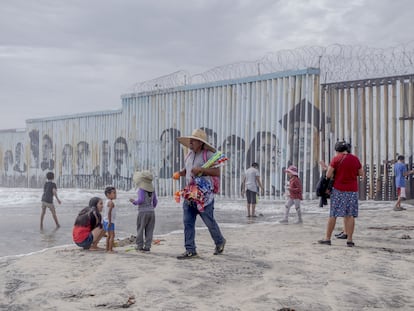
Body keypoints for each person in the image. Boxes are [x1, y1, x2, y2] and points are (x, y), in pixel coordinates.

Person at [173, 128, 226, 259]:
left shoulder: (207, 155)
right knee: (187, 222)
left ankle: (219, 241)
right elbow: (188, 170)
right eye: (191, 140)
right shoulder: (189, 155)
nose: (191, 142)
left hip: (204, 196)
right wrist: (180, 173)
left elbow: (217, 172)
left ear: (201, 143)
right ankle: (190, 250)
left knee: (209, 221)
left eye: (194, 140)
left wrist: (201, 170)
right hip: (190, 193)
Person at [318, 141, 364, 247]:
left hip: (339, 190)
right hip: (352, 190)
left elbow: (329, 175)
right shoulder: (355, 159)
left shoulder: (336, 159)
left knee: (333, 214)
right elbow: (361, 173)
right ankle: (350, 240)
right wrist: (351, 173)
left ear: (337, 150)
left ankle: (327, 238)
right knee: (350, 215)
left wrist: (329, 170)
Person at [130, 171, 158, 252]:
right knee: (149, 230)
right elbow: (155, 202)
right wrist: (151, 208)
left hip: (142, 212)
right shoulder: (152, 190)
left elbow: (141, 200)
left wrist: (134, 202)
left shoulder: (141, 190)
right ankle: (147, 247)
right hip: (151, 212)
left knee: (140, 229)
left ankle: (139, 246)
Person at [103, 186, 117, 253]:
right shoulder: (111, 203)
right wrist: (109, 222)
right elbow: (109, 213)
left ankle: (107, 249)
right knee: (112, 235)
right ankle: (110, 250)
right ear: (108, 194)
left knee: (108, 235)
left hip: (106, 220)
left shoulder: (107, 201)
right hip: (110, 221)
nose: (115, 194)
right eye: (114, 193)